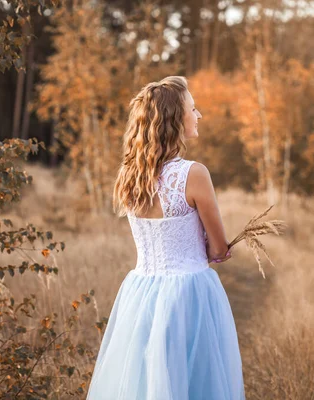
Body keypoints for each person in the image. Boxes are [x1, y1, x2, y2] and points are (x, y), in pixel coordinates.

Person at [86, 76, 245, 400]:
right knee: (195, 382)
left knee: (144, 382)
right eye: (192, 108)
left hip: (141, 292)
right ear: (174, 119)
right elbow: (218, 247)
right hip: (190, 294)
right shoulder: (193, 174)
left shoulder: (130, 176)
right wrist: (215, 251)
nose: (198, 115)